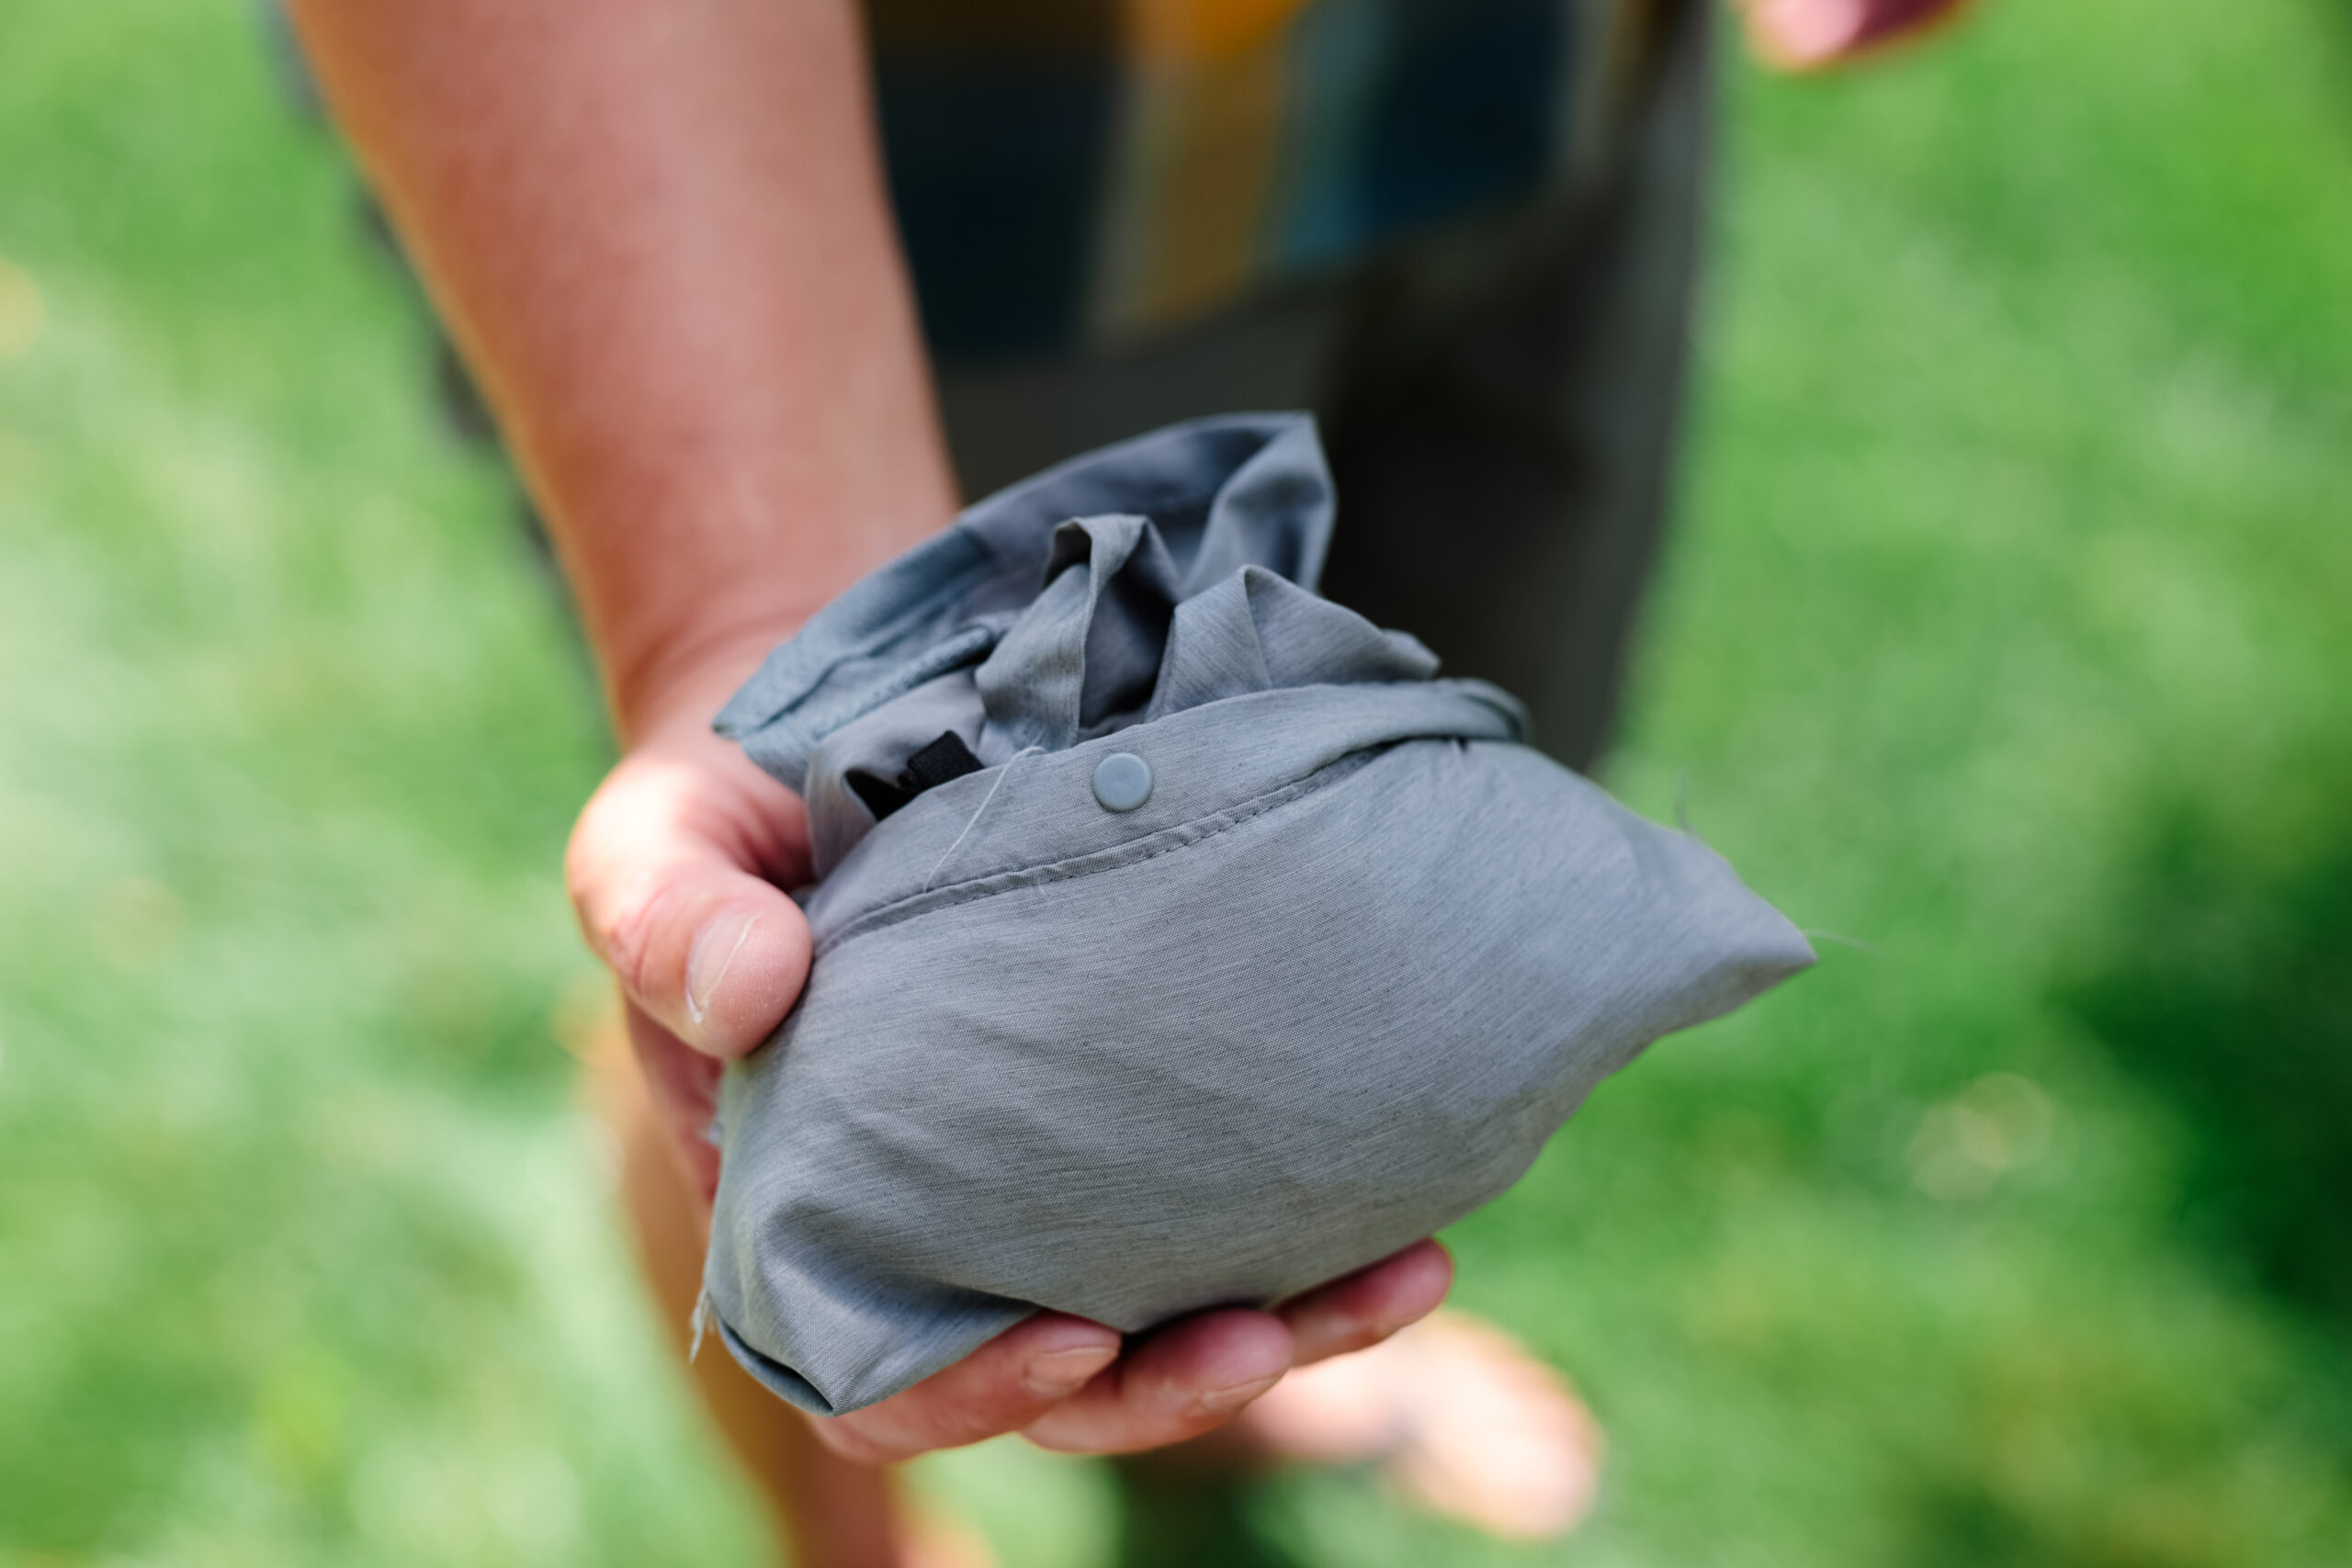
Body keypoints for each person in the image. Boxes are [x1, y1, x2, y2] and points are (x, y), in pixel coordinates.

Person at [281, 1, 1968, 1563]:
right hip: (930, 174)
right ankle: (844, 1541)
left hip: (1536, 82)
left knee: (1389, 896)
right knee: (808, 995)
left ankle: (1209, 1363)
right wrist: (751, 615)